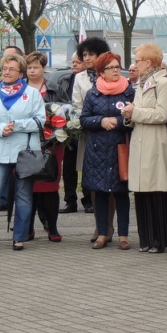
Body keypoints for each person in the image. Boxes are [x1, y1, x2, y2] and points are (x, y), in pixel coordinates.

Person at [0, 53, 47, 251]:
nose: (6, 72)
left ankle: (19, 236)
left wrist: (16, 125)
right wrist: (0, 129)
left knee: (23, 195)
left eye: (11, 69)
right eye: (4, 69)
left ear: (21, 72)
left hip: (24, 151)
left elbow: (40, 120)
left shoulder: (31, 94)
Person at [122, 43, 167, 253]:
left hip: (154, 140)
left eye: (137, 60)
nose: (135, 64)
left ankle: (160, 240)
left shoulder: (164, 83)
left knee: (156, 191)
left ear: (148, 62)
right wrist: (129, 116)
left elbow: (162, 114)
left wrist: (134, 113)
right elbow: (139, 112)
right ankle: (146, 239)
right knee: (141, 192)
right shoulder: (142, 84)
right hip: (140, 140)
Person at [81, 52, 134, 250]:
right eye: (111, 67)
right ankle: (102, 233)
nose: (115, 70)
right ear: (101, 72)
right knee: (100, 192)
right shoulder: (93, 93)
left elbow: (135, 118)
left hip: (121, 149)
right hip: (98, 150)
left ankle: (124, 235)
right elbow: (84, 119)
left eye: (117, 67)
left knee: (121, 194)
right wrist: (100, 121)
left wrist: (119, 121)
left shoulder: (129, 92)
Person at [74, 37, 114, 233]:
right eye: (84, 55)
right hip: (89, 133)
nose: (87, 58)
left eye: (91, 54)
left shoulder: (109, 74)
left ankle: (111, 225)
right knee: (92, 182)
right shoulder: (79, 78)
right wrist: (93, 121)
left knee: (113, 181)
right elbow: (77, 106)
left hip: (111, 133)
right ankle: (99, 227)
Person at [25, 51, 62, 243]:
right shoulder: (20, 88)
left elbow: (65, 111)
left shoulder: (54, 89)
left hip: (51, 144)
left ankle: (52, 228)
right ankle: (27, 228)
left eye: (35, 67)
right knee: (28, 186)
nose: (32, 71)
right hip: (26, 144)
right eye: (29, 67)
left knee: (50, 185)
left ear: (43, 68)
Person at [60, 53, 88, 214]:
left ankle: (88, 200)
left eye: (78, 62)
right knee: (69, 167)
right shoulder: (65, 80)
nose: (75, 64)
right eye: (73, 62)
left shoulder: (88, 80)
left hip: (84, 128)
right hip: (68, 129)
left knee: (85, 165)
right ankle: (70, 201)